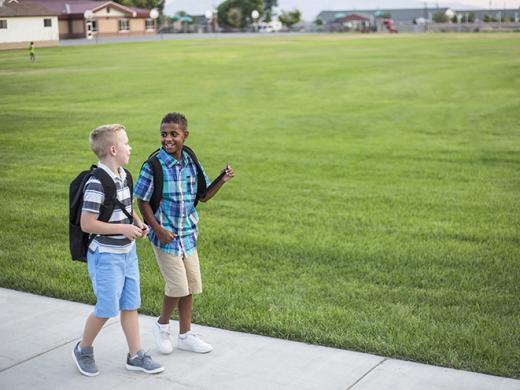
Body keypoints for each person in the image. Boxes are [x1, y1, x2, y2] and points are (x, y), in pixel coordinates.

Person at [134, 112, 234, 354]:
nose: (168, 139)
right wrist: (157, 228)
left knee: (190, 286)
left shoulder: (190, 160)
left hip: (188, 234)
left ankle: (186, 335)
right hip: (166, 237)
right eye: (163, 134)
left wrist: (222, 179)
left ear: (185, 136)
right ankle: (161, 326)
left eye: (173, 134)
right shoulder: (153, 165)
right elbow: (142, 199)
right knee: (177, 287)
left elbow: (204, 195)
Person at [73, 124, 164, 376]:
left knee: (130, 304)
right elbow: (87, 223)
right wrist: (123, 230)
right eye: (126, 143)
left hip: (127, 254)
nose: (130, 147)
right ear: (113, 149)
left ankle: (135, 355)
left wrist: (137, 222)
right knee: (106, 307)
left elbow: (124, 206)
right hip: (105, 256)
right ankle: (83, 348)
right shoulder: (96, 183)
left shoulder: (124, 175)